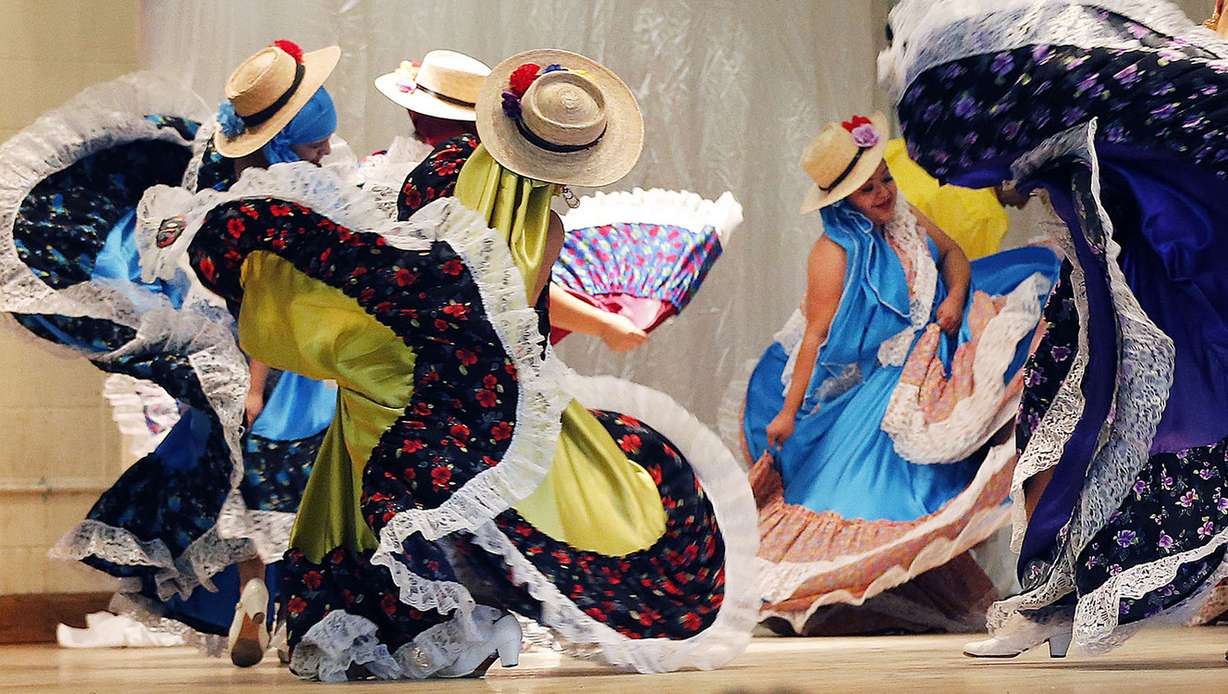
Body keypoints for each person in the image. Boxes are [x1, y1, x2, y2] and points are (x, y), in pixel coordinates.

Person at [137, 48, 756, 681]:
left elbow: (389, 259)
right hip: (444, 386)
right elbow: (519, 317)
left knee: (366, 501)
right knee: (557, 485)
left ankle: (360, 623)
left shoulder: (430, 173)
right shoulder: (537, 220)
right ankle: (413, 627)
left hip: (378, 369)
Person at [881, 0, 1228, 657]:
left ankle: (1058, 604)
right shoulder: (1088, 72)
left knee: (1116, 438)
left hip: (1147, 301)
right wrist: (1027, 165)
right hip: (1089, 299)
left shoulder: (1151, 83)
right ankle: (1048, 603)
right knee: (1049, 430)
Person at [0, 39, 342, 667]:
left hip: (217, 358)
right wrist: (261, 380)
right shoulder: (295, 203)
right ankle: (306, 614)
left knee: (228, 477)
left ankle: (251, 590)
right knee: (296, 488)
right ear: (292, 138)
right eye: (318, 139)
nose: (326, 149)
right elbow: (270, 306)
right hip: (287, 366)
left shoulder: (217, 190)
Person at [731, 112, 1058, 636]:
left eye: (885, 178)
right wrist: (789, 413)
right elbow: (815, 337)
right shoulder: (832, 254)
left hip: (940, 347)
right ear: (842, 200)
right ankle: (838, 601)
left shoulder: (903, 217)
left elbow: (952, 252)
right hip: (889, 381)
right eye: (868, 189)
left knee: (1035, 334)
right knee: (891, 497)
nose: (884, 193)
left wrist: (953, 298)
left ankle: (1049, 567)